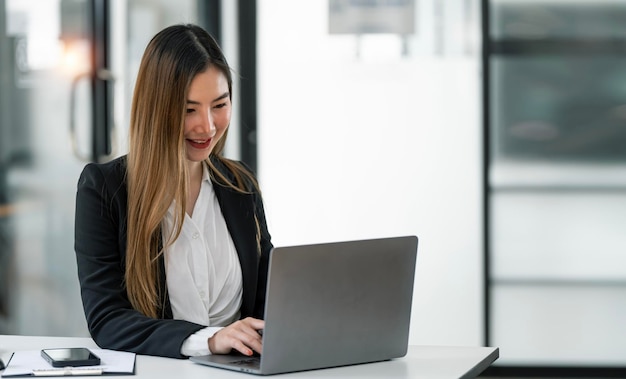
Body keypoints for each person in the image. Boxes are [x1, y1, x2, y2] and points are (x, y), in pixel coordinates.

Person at [74, 24, 272, 359]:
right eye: (188, 109)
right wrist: (209, 340)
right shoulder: (104, 190)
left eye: (219, 104)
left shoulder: (241, 184)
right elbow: (107, 321)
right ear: (156, 109)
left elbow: (270, 296)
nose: (207, 126)